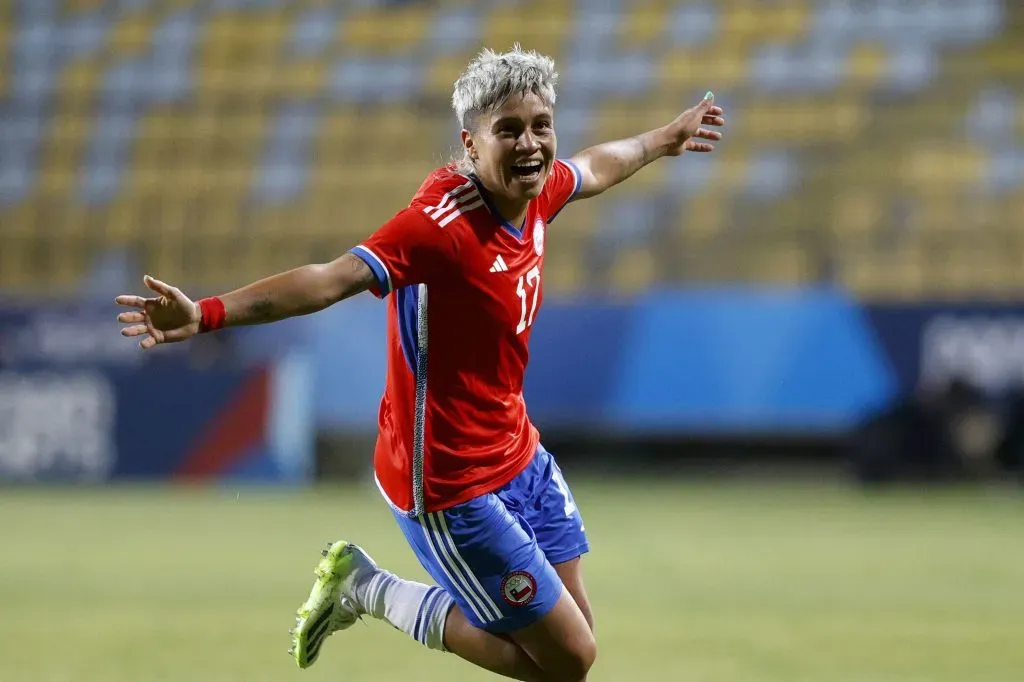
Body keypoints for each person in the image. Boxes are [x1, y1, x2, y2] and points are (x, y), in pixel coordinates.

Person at [115, 45, 725, 682]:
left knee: (564, 646)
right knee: (570, 661)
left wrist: (662, 139)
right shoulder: (439, 228)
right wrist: (209, 313)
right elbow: (331, 279)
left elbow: (595, 166)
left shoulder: (536, 195)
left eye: (540, 126)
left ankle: (382, 589)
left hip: (516, 452)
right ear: (470, 143)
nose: (529, 145)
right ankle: (367, 588)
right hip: (446, 482)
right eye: (507, 130)